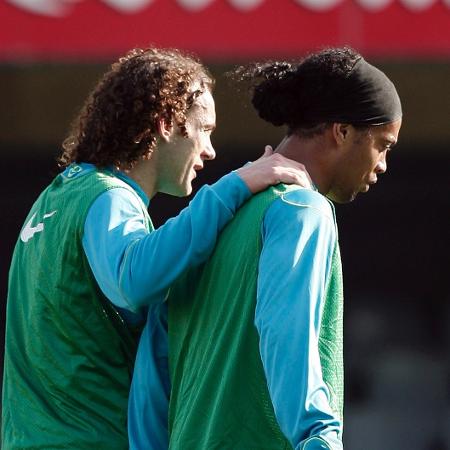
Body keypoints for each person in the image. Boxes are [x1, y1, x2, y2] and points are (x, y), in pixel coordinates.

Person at [1, 47, 310, 450]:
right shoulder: (109, 197)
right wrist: (236, 186)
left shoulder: (56, 197)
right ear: (166, 123)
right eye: (205, 129)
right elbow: (133, 279)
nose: (210, 150)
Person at [129, 47, 402, 449]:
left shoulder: (209, 225)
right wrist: (318, 436)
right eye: (383, 145)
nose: (382, 165)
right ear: (341, 131)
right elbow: (285, 334)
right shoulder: (302, 210)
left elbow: (153, 371)